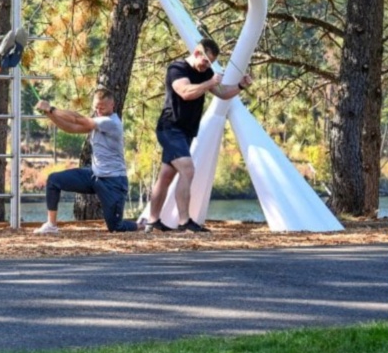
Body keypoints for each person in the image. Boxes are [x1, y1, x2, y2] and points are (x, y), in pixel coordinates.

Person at [144, 37, 254, 233]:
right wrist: (209, 82)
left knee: (166, 175)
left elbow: (222, 93)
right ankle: (184, 222)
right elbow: (185, 92)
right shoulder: (177, 69)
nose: (207, 66)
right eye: (206, 61)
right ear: (197, 53)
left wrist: (240, 86)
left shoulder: (206, 73)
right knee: (187, 169)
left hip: (187, 131)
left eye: (211, 63)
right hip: (170, 128)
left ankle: (152, 221)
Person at [34, 88, 142, 235]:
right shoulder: (97, 121)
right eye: (96, 107)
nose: (99, 111)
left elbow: (77, 120)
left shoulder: (110, 122)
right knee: (54, 180)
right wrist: (50, 114)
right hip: (94, 175)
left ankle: (143, 225)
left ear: (112, 105)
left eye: (102, 108)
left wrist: (51, 109)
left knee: (116, 227)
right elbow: (71, 127)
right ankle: (51, 225)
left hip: (113, 181)